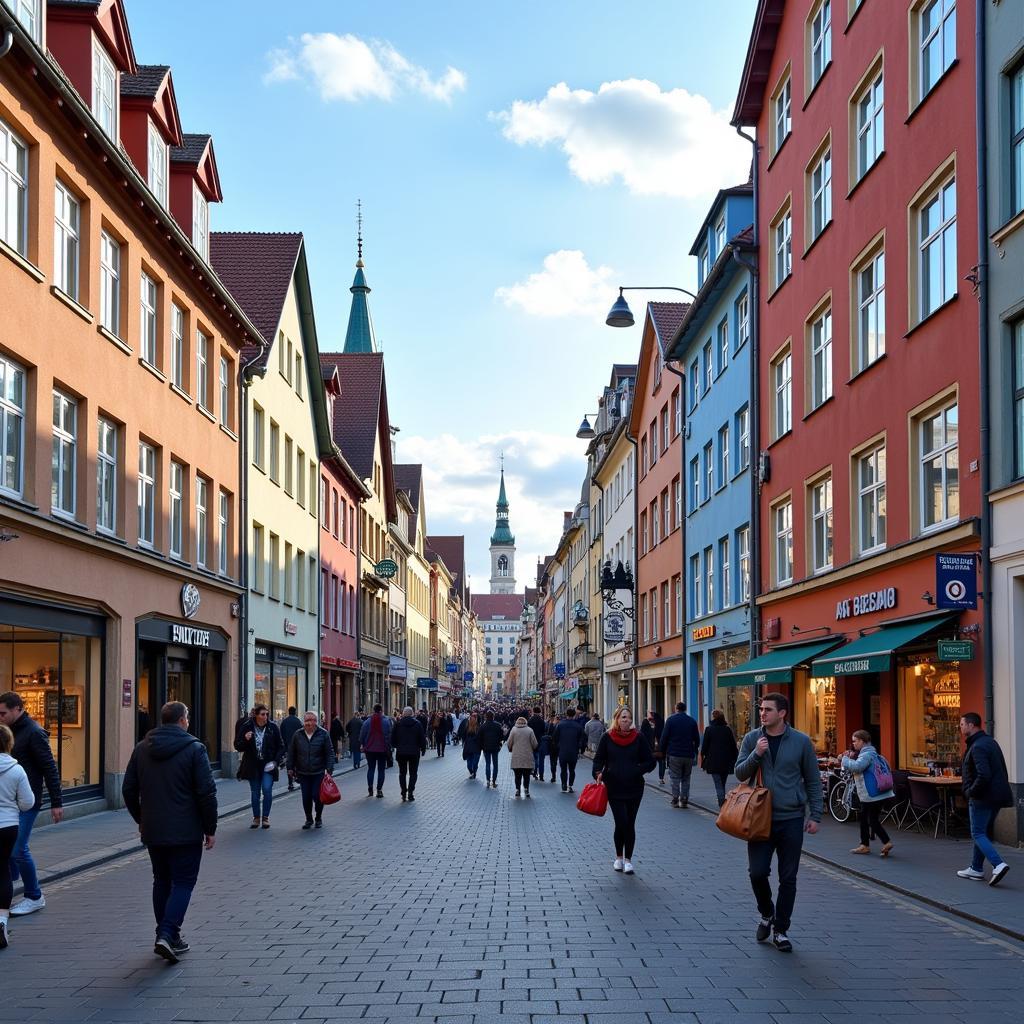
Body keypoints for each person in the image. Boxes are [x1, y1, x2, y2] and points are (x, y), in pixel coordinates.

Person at [122, 701, 218, 964]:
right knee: (184, 882)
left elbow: (128, 789)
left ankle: (166, 936)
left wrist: (141, 818)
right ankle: (167, 932)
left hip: (154, 829)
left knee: (161, 880)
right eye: (187, 716)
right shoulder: (195, 749)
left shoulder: (142, 748)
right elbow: (206, 792)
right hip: (186, 830)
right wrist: (210, 828)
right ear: (183, 720)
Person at [734, 692, 822, 954]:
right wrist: (756, 754)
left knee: (788, 878)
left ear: (782, 713)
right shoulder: (752, 739)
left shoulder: (801, 742)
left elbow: (813, 780)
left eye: (768, 710)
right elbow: (739, 773)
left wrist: (815, 815)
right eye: (761, 709)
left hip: (792, 818)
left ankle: (781, 929)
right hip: (759, 818)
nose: (762, 713)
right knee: (757, 873)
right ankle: (766, 912)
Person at [0, 691, 62, 918]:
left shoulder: (34, 732)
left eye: (3, 713)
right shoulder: (9, 731)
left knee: (18, 849)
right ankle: (9, 887)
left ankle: (34, 896)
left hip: (28, 801)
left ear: (18, 709)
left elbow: (49, 767)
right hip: (9, 802)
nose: (0, 717)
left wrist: (57, 802)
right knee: (9, 850)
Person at [592, 707, 656, 875]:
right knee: (621, 822)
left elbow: (650, 761)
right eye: (623, 717)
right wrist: (598, 773)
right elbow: (598, 759)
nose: (626, 720)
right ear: (617, 719)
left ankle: (628, 860)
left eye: (629, 717)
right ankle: (618, 857)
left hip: (634, 787)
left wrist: (637, 770)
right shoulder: (607, 737)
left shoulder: (638, 738)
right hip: (614, 786)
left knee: (630, 823)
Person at [957, 712, 1013, 886]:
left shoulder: (978, 746)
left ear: (971, 725)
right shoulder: (989, 742)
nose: (960, 727)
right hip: (995, 796)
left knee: (977, 832)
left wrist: (971, 792)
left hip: (982, 797)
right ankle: (976, 868)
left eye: (962, 724)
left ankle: (998, 864)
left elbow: (984, 774)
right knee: (982, 832)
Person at [0, 724, 33, 949]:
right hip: (7, 826)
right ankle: (1, 920)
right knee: (2, 870)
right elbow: (28, 802)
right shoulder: (16, 769)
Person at [841, 729, 894, 857]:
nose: (853, 744)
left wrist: (844, 759)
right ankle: (871, 843)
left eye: (855, 741)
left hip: (870, 794)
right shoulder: (876, 754)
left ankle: (874, 844)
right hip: (880, 792)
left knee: (868, 819)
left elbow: (857, 767)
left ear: (861, 741)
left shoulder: (866, 755)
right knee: (868, 819)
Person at [233, 704, 284, 829]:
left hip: (268, 765)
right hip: (253, 765)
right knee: (255, 792)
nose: (265, 717)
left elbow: (281, 746)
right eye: (262, 714)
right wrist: (245, 739)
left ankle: (265, 817)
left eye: (267, 714)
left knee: (267, 790)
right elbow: (237, 746)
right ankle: (256, 818)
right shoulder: (247, 727)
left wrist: (276, 761)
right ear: (256, 715)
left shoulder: (273, 727)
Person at [287, 710, 336, 828]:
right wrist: (290, 767)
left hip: (318, 772)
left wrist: (329, 770)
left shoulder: (323, 734)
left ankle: (318, 817)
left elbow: (329, 753)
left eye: (311, 720)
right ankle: (308, 819)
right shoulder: (298, 734)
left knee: (317, 796)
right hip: (303, 772)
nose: (308, 723)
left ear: (316, 722)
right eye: (306, 720)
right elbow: (291, 752)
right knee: (306, 797)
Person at [660, 702, 701, 809]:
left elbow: (664, 737)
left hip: (674, 754)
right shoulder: (692, 721)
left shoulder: (670, 720)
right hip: (688, 754)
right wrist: (695, 750)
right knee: (686, 778)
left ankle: (675, 799)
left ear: (676, 708)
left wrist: (662, 751)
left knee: (675, 777)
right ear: (685, 709)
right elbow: (697, 739)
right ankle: (684, 799)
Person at [700, 710, 739, 807]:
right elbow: (733, 745)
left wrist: (702, 754)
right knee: (722, 781)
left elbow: (704, 746)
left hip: (713, 761)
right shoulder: (727, 729)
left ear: (713, 718)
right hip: (726, 760)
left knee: (718, 783)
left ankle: (722, 802)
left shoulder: (709, 729)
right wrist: (735, 758)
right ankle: (722, 799)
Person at [391, 707, 427, 802]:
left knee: (402, 773)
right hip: (414, 752)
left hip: (401, 752)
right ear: (412, 714)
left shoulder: (398, 724)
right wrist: (423, 749)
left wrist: (396, 746)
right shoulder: (417, 724)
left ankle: (403, 792)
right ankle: (411, 792)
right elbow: (422, 738)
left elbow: (392, 738)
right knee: (413, 773)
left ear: (403, 714)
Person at [359, 705, 393, 798]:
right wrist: (388, 746)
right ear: (381, 711)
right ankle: (379, 790)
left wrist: (362, 743)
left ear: (373, 710)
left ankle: (370, 788)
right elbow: (389, 735)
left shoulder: (367, 722)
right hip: (382, 749)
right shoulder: (386, 721)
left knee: (371, 769)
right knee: (381, 770)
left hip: (370, 749)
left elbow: (362, 734)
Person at [553, 708, 587, 793]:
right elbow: (583, 738)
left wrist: (557, 746)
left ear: (566, 714)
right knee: (572, 770)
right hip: (573, 751)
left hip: (563, 751)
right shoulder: (578, 726)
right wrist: (581, 750)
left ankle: (564, 784)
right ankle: (570, 785)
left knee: (563, 770)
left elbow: (555, 737)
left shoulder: (560, 725)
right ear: (574, 715)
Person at [507, 716, 539, 799]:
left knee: (517, 775)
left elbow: (509, 742)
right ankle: (526, 789)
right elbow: (535, 743)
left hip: (516, 756)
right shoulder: (530, 730)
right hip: (527, 756)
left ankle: (517, 789)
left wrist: (510, 748)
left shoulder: (514, 730)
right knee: (526, 775)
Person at [478, 711, 505, 788]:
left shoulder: (483, 726)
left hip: (486, 747)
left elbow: (479, 737)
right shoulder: (498, 725)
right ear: (493, 716)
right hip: (495, 747)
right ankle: (493, 781)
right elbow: (501, 737)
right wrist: (500, 744)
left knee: (487, 764)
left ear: (486, 716)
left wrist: (482, 746)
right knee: (495, 765)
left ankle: (487, 780)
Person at [640, 710, 667, 785]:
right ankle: (660, 778)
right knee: (657, 763)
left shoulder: (658, 724)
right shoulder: (646, 723)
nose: (650, 718)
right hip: (655, 748)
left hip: (656, 748)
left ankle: (661, 778)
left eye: (651, 717)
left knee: (659, 762)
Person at [279, 707, 303, 791]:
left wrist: (285, 743)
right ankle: (298, 777)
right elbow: (302, 733)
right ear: (295, 712)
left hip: (288, 746)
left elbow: (281, 733)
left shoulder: (284, 722)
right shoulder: (298, 721)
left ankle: (290, 783)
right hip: (297, 746)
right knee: (298, 763)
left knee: (289, 765)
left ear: (288, 712)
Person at [459, 712, 483, 779]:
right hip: (473, 747)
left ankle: (473, 772)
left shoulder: (477, 727)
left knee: (471, 762)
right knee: (473, 762)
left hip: (471, 747)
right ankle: (473, 772)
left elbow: (463, 736)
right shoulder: (472, 726)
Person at [527, 707, 547, 780]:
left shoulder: (530, 720)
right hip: (540, 741)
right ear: (540, 712)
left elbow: (528, 731)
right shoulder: (542, 721)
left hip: (532, 742)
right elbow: (544, 731)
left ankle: (534, 771)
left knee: (533, 757)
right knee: (541, 759)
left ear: (533, 711)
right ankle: (541, 775)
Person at [546, 713, 560, 782]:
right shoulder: (552, 725)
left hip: (553, 746)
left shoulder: (551, 725)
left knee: (553, 762)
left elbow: (548, 734)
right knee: (554, 762)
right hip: (556, 747)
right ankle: (553, 775)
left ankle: (553, 775)